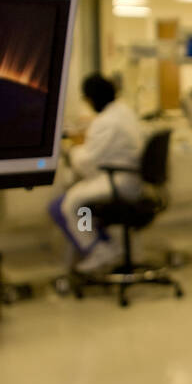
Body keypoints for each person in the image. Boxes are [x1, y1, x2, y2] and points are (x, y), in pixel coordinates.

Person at [48, 73, 144, 274]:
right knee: (77, 203)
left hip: (117, 181)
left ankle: (98, 249)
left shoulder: (106, 122)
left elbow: (87, 161)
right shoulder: (124, 112)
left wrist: (72, 150)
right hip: (129, 179)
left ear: (91, 99)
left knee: (70, 205)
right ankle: (107, 245)